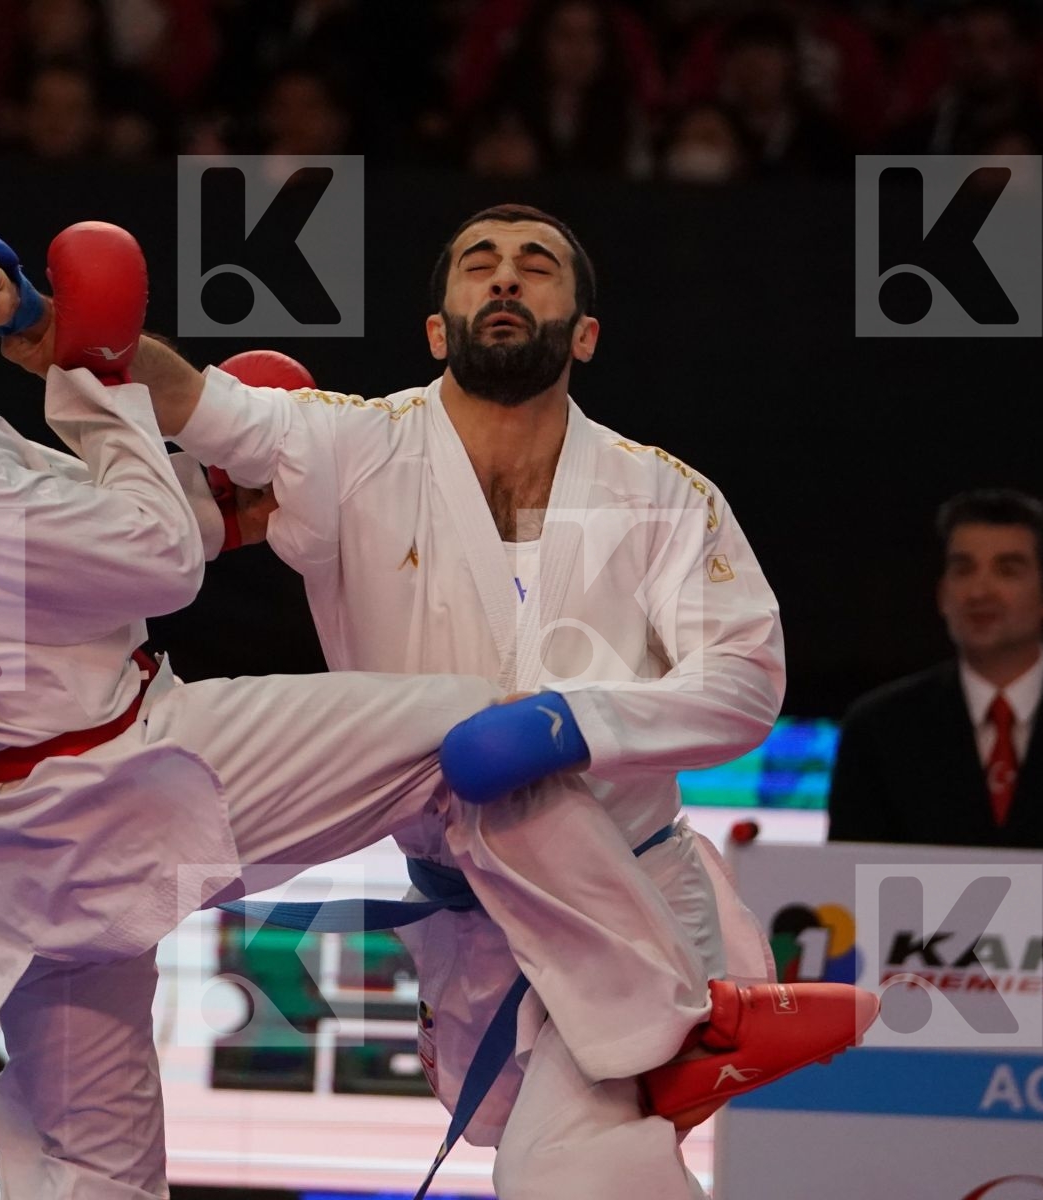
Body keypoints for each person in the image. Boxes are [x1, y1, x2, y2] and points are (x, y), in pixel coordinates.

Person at [0, 115, 525, 1199]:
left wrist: (198, 509)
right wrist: (88, 369)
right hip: (120, 774)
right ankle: (632, 1014)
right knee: (487, 728)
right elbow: (150, 566)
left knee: (95, 1166)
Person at [129, 204, 875, 1198]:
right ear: (438, 328)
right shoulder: (348, 445)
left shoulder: (662, 496)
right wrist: (55, 320)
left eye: (538, 266)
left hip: (631, 901)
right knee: (540, 1148)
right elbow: (195, 402)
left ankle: (707, 1006)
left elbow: (746, 683)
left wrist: (578, 727)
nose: (508, 278)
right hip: (463, 909)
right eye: (480, 264)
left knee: (571, 1165)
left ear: (587, 331)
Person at [828, 489, 1043, 854]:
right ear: (943, 595)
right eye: (963, 569)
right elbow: (850, 883)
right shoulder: (878, 729)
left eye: (1007, 570)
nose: (979, 591)